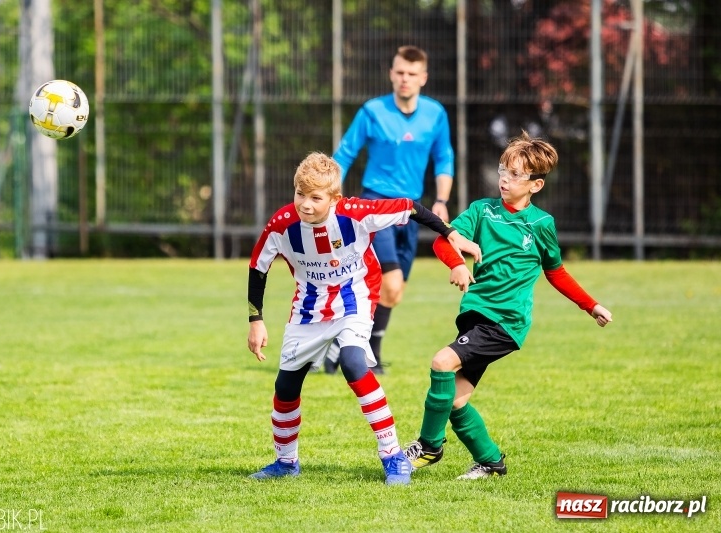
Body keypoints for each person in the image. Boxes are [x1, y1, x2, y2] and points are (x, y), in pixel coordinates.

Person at [246, 152, 479, 485]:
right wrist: (256, 319)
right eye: (300, 194)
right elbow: (257, 267)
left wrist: (450, 234)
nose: (306, 204)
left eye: (315, 198)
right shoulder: (282, 224)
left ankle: (393, 456)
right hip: (308, 309)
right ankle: (286, 462)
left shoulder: (356, 213)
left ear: (334, 198)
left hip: (354, 301)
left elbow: (411, 206)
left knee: (353, 364)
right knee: (285, 385)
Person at [403, 131, 613, 479]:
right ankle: (490, 462)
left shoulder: (542, 225)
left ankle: (428, 446)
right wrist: (457, 263)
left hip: (505, 322)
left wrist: (590, 305)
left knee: (441, 363)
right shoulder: (482, 211)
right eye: (504, 169)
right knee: (454, 401)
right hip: (475, 317)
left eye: (516, 174)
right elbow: (445, 241)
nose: (505, 178)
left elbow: (556, 272)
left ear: (536, 185)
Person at [328, 44, 454, 374]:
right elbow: (344, 155)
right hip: (375, 206)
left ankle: (341, 346)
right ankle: (368, 354)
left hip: (411, 211)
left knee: (392, 292)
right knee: (391, 279)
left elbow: (444, 158)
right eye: (399, 72)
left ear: (423, 77)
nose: (404, 79)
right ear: (391, 74)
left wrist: (441, 201)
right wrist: (327, 196)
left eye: (412, 74)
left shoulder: (435, 114)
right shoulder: (372, 111)